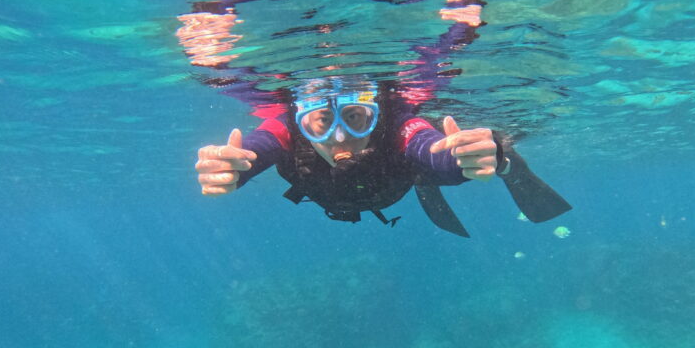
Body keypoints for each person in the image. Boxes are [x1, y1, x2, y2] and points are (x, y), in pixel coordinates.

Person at [194, 78, 571, 236]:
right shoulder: (286, 129)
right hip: (386, 188)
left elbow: (434, 152)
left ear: (374, 116)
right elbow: (251, 152)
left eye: (355, 118)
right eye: (321, 122)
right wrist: (230, 170)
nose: (339, 137)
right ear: (300, 122)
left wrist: (477, 158)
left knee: (430, 165)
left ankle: (508, 164)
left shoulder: (398, 125)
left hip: (405, 176)